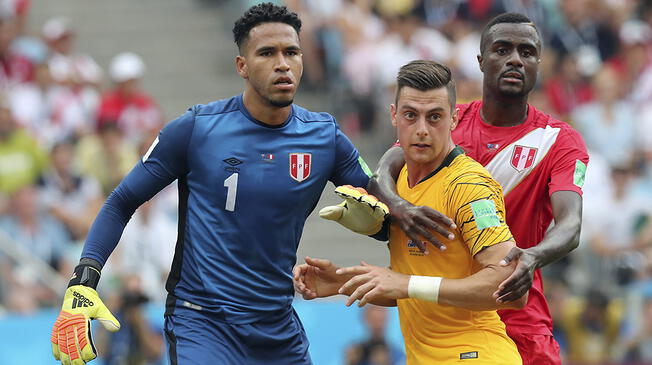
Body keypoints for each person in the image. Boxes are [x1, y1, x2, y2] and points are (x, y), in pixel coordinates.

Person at [50, 3, 374, 364]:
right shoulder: (196, 129)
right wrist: (83, 279)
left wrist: (379, 222)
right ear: (242, 66)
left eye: (292, 52)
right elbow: (121, 201)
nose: (283, 63)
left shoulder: (323, 136)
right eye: (267, 53)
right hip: (203, 321)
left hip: (278, 325)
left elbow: (383, 209)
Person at [359, 13, 589, 365]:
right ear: (481, 61)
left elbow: (570, 226)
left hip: (516, 313)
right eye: (503, 49)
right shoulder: (444, 120)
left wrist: (532, 256)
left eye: (527, 52)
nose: (515, 59)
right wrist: (396, 205)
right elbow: (387, 166)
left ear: (538, 64)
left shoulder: (559, 141)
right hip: (451, 319)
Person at [295, 60, 525, 364]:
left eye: (434, 117)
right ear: (393, 116)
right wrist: (339, 282)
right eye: (410, 115)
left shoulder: (468, 186)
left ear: (455, 119)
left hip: (477, 354)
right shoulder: (399, 181)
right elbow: (420, 289)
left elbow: (512, 287)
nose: (421, 130)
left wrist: (407, 283)